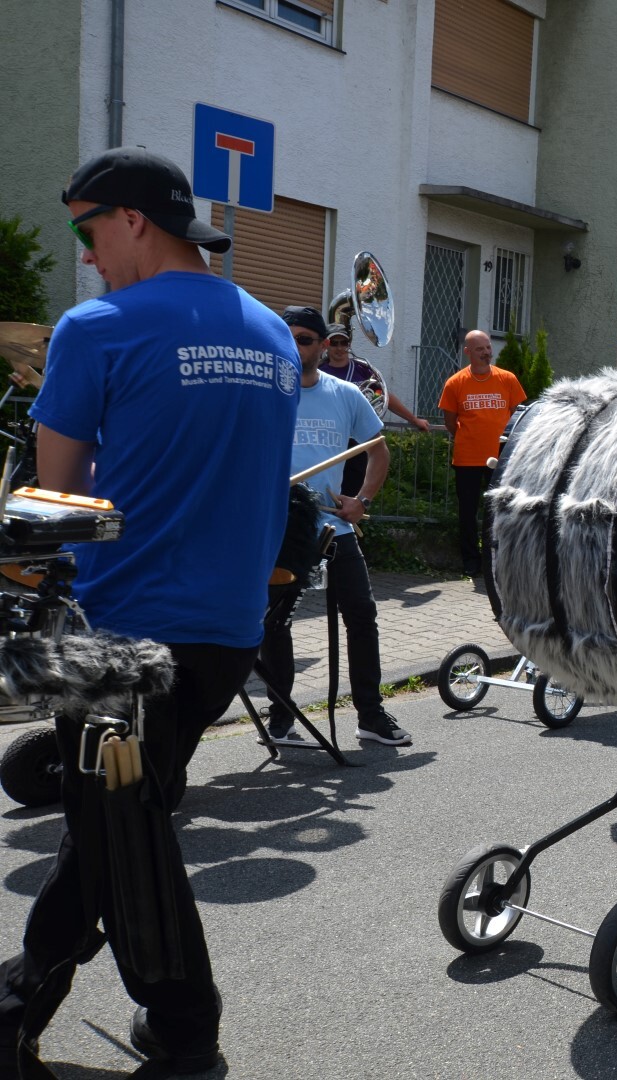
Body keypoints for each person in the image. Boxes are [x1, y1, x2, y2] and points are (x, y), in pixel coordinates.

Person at [0, 146, 298, 1076]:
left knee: (124, 842)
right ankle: (18, 1004)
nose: (88, 256)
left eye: (90, 233)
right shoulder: (273, 332)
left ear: (132, 218)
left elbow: (58, 506)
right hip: (229, 632)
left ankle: (184, 1030)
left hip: (119, 638)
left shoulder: (97, 327)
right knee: (113, 826)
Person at [262, 305, 412, 748]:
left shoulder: (345, 395)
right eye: (286, 338)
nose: (294, 347)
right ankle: (281, 719)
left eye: (304, 339)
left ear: (324, 346)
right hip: (280, 525)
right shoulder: (266, 393)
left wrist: (362, 501)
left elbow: (378, 452)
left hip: (333, 527)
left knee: (362, 615)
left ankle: (370, 715)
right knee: (275, 621)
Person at [439, 330, 526, 578]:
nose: (487, 352)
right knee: (467, 512)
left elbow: (518, 416)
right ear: (468, 352)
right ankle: (471, 560)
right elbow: (450, 421)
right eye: (480, 349)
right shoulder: (455, 383)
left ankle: (497, 558)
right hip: (467, 458)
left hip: (501, 457)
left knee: (500, 510)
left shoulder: (507, 379)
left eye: (488, 347)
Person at [320, 323, 430, 498]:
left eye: (344, 343)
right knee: (326, 489)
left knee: (353, 492)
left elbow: (384, 396)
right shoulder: (319, 372)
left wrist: (414, 420)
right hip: (328, 439)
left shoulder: (362, 370)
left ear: (349, 344)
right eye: (334, 343)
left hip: (357, 441)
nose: (340, 348)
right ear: (326, 345)